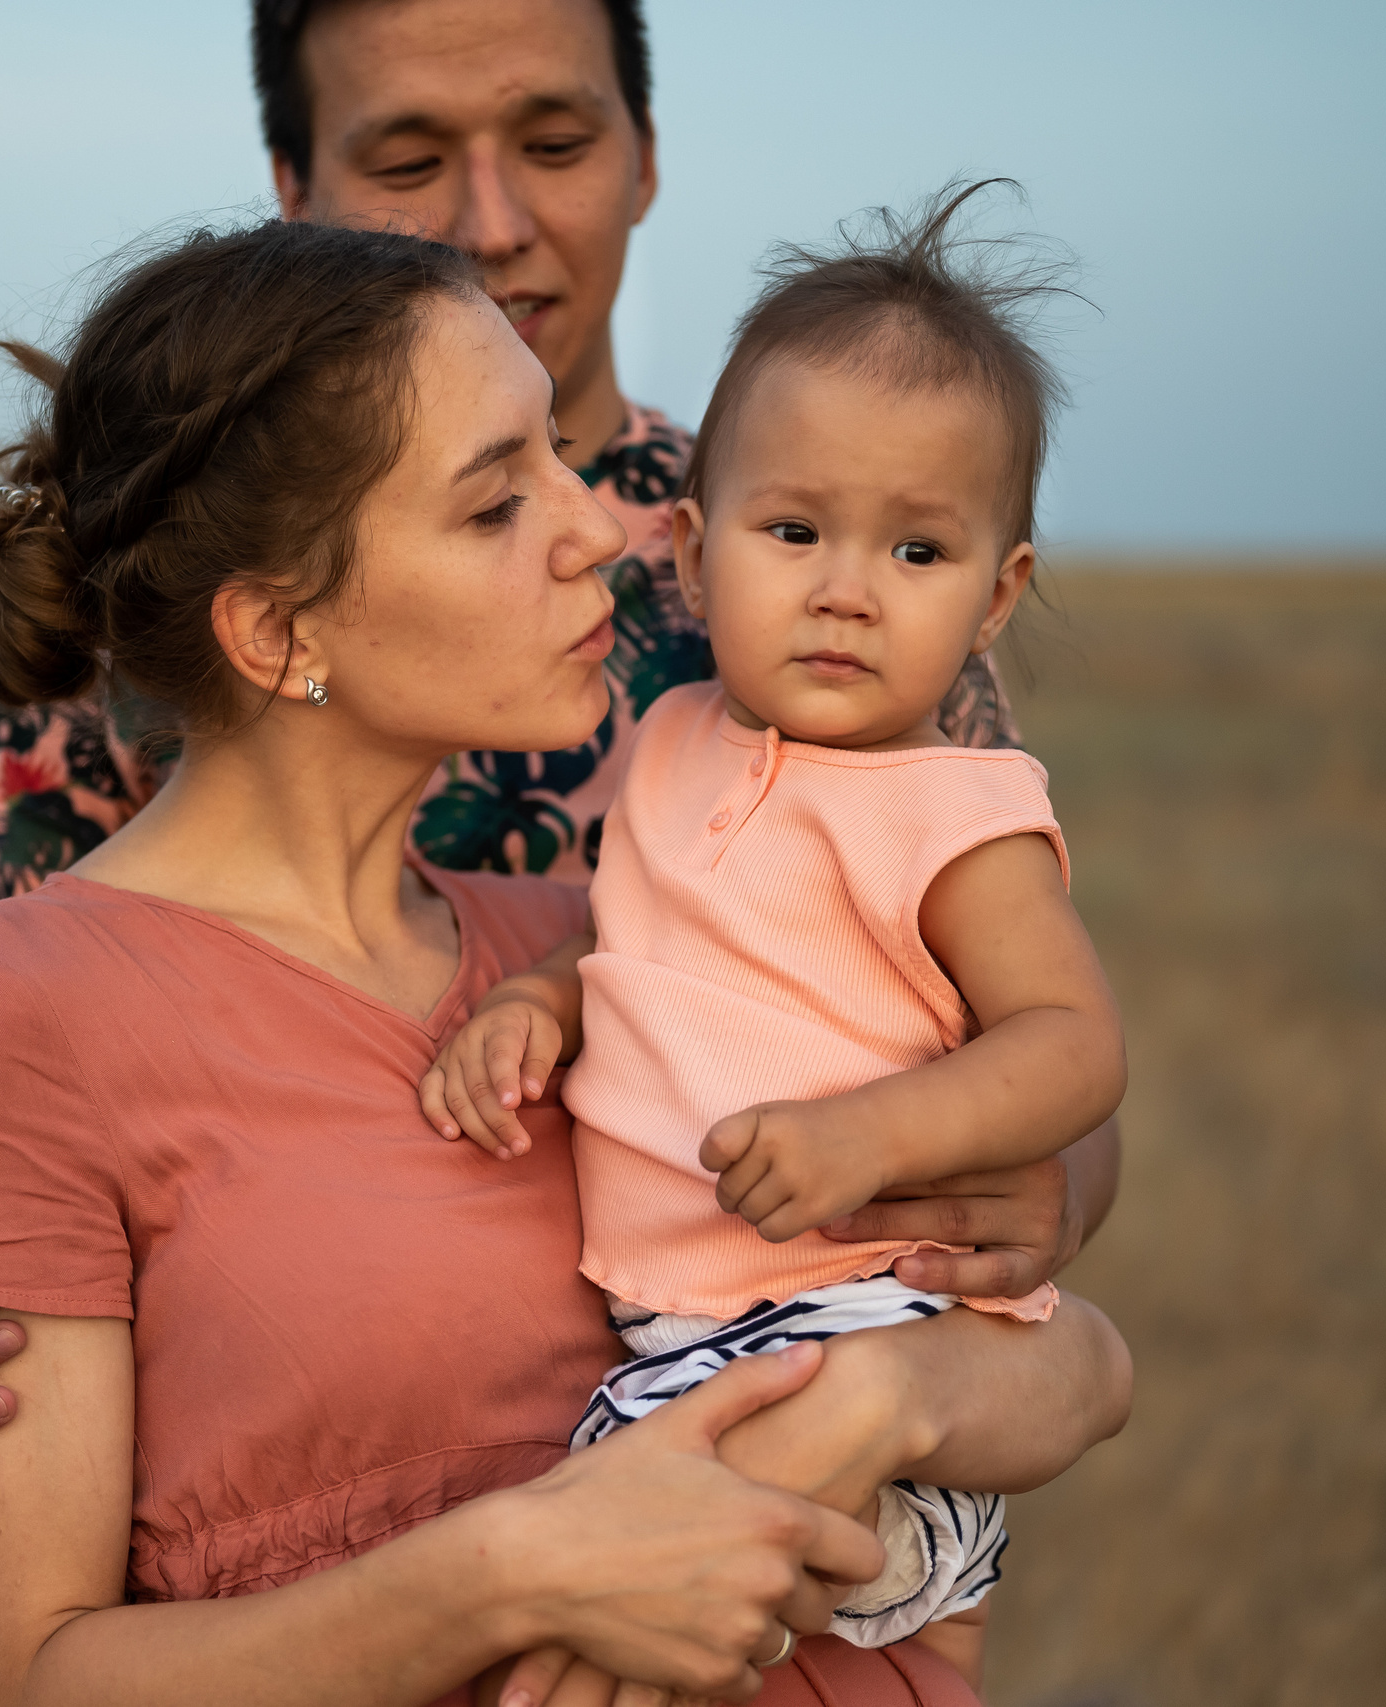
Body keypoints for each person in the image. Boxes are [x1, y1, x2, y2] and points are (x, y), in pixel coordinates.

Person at [0, 0, 1122, 1536]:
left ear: (645, 159)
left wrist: (1034, 1193)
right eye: (410, 158)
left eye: (555, 142)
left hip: (753, 1360)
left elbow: (1011, 1000)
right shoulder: (168, 607)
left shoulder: (832, 548)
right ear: (296, 192)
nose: (494, 223)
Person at [420, 186, 1116, 1700]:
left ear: (999, 595)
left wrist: (872, 1134)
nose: (846, 592)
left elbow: (1073, 1045)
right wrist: (542, 1005)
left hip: (857, 1306)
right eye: (794, 530)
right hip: (684, 1331)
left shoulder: (959, 811)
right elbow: (637, 947)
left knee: (612, 1605)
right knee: (625, 1568)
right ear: (689, 545)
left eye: (918, 553)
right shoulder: (668, 740)